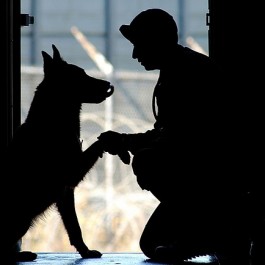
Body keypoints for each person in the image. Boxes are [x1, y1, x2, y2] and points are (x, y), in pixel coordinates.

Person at [98, 8, 252, 264]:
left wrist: (127, 142)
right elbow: (172, 135)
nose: (135, 54)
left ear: (157, 42)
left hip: (213, 179)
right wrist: (126, 141)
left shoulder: (187, 76)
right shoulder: (181, 69)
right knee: (151, 244)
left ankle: (218, 229)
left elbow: (181, 142)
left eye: (140, 45)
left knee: (148, 162)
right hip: (209, 178)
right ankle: (220, 233)